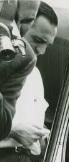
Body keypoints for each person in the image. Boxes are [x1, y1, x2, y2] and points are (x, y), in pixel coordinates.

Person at [0, 1, 55, 162]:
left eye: (47, 44)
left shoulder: (35, 75)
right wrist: (14, 131)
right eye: (38, 40)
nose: (42, 50)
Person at [0, 0, 36, 141]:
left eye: (28, 20)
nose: (17, 30)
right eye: (11, 18)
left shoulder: (23, 56)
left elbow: (2, 127)